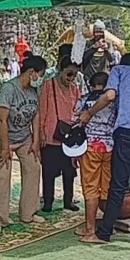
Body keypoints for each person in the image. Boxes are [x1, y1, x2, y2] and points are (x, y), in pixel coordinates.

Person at [80, 53, 130, 244]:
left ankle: (104, 233)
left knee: (118, 184)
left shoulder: (119, 70)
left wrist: (89, 113)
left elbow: (109, 95)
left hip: (128, 133)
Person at [0, 55, 48, 235]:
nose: (41, 78)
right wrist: (6, 147)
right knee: (3, 175)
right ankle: (0, 218)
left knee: (33, 168)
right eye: (40, 74)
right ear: (31, 72)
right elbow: (1, 120)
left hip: (25, 138)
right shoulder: (8, 89)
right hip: (4, 138)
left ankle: (28, 213)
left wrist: (36, 141)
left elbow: (36, 115)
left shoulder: (33, 91)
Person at [71, 72, 116, 239]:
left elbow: (75, 122)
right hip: (111, 148)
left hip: (90, 148)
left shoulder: (84, 100)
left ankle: (89, 228)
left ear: (91, 85)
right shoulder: (115, 101)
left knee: (90, 189)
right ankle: (107, 226)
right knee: (107, 189)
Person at [37, 56, 83, 213]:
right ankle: (48, 201)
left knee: (69, 171)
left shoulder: (75, 90)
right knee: (48, 171)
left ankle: (68, 200)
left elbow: (78, 111)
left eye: (75, 75)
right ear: (60, 70)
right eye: (69, 74)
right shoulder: (48, 86)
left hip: (69, 137)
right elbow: (42, 110)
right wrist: (41, 132)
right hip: (51, 135)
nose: (71, 78)